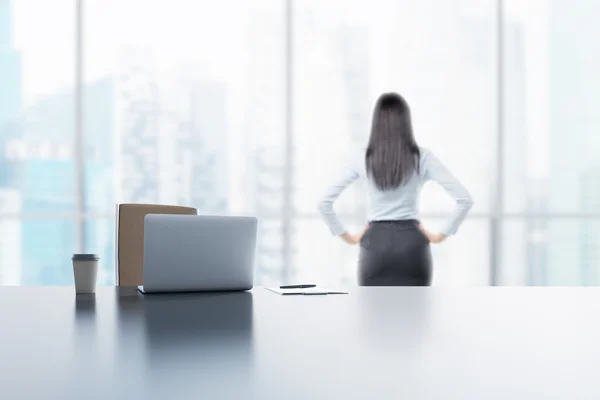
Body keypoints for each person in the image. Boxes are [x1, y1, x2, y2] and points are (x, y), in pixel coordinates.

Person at [317, 92, 473, 286]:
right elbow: (465, 200)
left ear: (377, 123)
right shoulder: (422, 157)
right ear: (406, 122)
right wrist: (440, 236)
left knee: (372, 314)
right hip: (412, 245)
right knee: (416, 314)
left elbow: (324, 203)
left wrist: (348, 238)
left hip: (375, 244)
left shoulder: (362, 157)